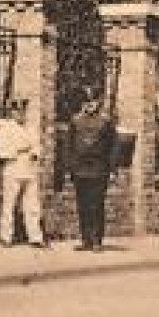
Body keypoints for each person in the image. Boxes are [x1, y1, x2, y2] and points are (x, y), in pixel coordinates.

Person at [66, 91, 117, 252]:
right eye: (86, 101)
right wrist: (69, 168)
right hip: (80, 169)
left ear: (98, 102)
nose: (90, 104)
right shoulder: (75, 121)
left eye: (93, 100)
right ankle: (85, 239)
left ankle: (96, 240)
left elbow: (113, 147)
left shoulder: (105, 122)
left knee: (96, 205)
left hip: (99, 169)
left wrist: (112, 168)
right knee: (82, 205)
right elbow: (69, 146)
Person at [0, 99, 47, 248]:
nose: (20, 115)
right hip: (13, 169)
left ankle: (35, 237)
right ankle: (6, 236)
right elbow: (0, 151)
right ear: (12, 112)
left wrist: (35, 153)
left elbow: (37, 146)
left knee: (32, 205)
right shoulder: (5, 129)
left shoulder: (30, 128)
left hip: (29, 169)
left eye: (23, 111)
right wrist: (18, 150)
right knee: (9, 204)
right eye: (17, 111)